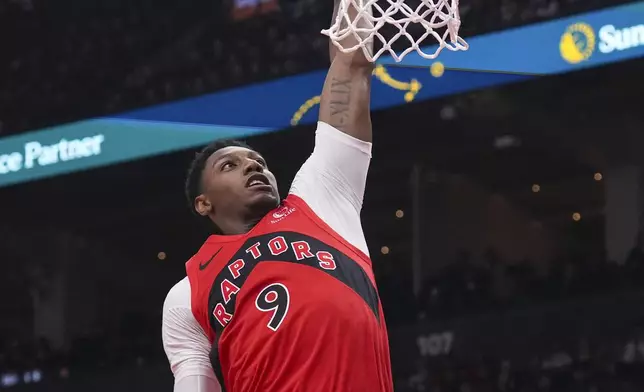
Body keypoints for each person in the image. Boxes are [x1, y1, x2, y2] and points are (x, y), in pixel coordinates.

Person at [161, 1, 393, 391]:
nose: (254, 166)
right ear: (204, 203)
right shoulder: (187, 293)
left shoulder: (320, 197)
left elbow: (351, 69)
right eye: (229, 166)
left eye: (258, 161)